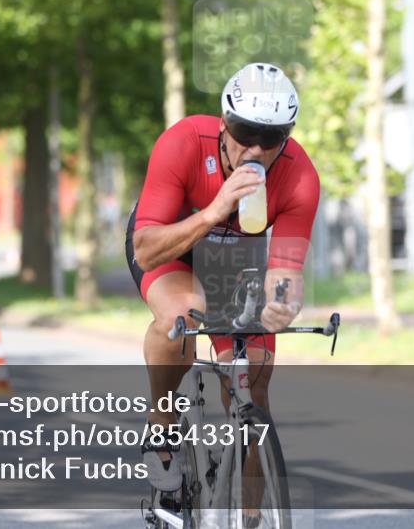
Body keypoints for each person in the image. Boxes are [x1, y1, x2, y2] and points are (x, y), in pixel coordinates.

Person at [125, 63, 321, 504]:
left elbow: (285, 272)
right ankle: (162, 424)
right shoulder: (183, 142)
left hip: (235, 260)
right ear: (223, 123)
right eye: (243, 130)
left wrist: (282, 304)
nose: (254, 147)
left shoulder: (299, 176)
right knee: (183, 315)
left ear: (285, 139)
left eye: (268, 138)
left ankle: (249, 516)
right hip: (171, 244)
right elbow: (145, 250)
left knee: (252, 378)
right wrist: (214, 211)